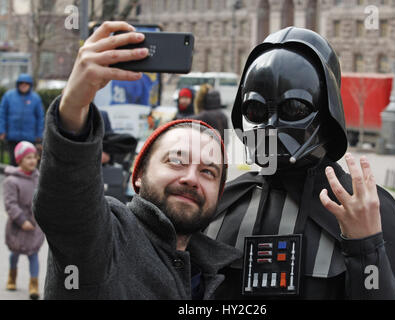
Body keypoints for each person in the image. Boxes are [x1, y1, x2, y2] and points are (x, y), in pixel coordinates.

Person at [204, 27, 395, 299]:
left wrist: (367, 248)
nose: (271, 126)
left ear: (328, 111)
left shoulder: (367, 208)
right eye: (256, 110)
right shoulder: (222, 203)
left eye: (294, 108)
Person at [32, 21, 241, 299]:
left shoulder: (222, 275)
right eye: (176, 161)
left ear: (219, 192)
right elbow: (67, 205)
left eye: (208, 172)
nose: (191, 178)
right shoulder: (105, 240)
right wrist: (73, 108)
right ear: (139, 173)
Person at [3, 141, 44, 300]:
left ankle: (33, 285)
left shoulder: (38, 177)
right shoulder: (11, 181)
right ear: (19, 160)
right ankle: (12, 277)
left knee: (33, 254)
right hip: (18, 226)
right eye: (28, 157)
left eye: (34, 157)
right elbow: (10, 204)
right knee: (15, 253)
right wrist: (21, 220)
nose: (33, 160)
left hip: (34, 224)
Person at [0, 74, 45, 166]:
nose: (24, 85)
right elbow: (2, 115)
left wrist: (39, 134)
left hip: (29, 137)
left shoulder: (35, 98)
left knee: (28, 161)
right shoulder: (8, 96)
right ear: (18, 84)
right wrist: (2, 131)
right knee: (14, 161)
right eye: (21, 83)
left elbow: (40, 117)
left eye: (26, 84)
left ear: (30, 85)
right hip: (12, 136)